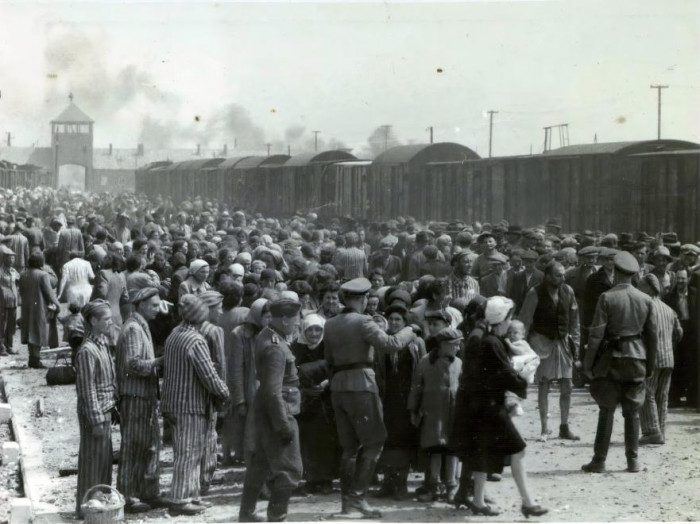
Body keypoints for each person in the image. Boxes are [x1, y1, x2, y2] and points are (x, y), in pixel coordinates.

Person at [323, 277, 417, 518]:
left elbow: (329, 361)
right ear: (363, 298)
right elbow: (392, 343)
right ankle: (357, 499)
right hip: (361, 386)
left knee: (349, 448)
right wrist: (411, 329)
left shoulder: (331, 324)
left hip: (338, 387)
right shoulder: (363, 321)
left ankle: (347, 503)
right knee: (374, 441)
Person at [582, 251, 658, 473]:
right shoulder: (645, 299)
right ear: (633, 275)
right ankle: (632, 460)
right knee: (632, 412)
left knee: (606, 410)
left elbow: (595, 336)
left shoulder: (606, 298)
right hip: (637, 359)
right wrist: (650, 365)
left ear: (615, 272)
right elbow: (652, 336)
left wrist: (587, 364)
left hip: (611, 360)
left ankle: (599, 460)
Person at [161, 294, 229, 516]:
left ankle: (191, 495)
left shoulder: (174, 335)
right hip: (190, 404)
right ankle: (180, 499)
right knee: (189, 453)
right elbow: (208, 375)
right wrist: (224, 391)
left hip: (173, 402)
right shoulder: (196, 340)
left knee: (186, 451)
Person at [238, 297, 303, 523]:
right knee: (290, 469)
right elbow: (273, 391)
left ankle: (246, 514)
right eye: (296, 319)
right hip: (279, 411)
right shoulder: (276, 347)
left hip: (267, 410)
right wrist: (283, 425)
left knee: (261, 464)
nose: (298, 323)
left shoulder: (267, 335)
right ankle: (276, 517)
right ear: (284, 319)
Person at [115, 285, 165, 513]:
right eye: (154, 305)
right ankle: (128, 495)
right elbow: (132, 364)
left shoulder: (140, 325)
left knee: (149, 445)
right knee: (133, 447)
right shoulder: (134, 329)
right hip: (134, 396)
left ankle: (147, 491)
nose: (158, 309)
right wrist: (159, 362)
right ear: (141, 304)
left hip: (144, 396)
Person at [518, 261, 581, 442]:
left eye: (563, 275)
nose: (562, 278)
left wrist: (575, 343)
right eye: (558, 275)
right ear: (547, 276)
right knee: (544, 385)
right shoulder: (534, 293)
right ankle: (544, 429)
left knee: (567, 385)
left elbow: (575, 321)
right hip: (542, 343)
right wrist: (525, 350)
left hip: (562, 343)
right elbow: (525, 321)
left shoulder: (568, 291)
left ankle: (564, 426)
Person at [374, 304, 424, 501]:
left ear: (405, 324)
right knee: (388, 440)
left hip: (407, 398)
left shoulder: (416, 342)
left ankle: (401, 485)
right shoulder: (383, 343)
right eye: (392, 319)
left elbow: (421, 371)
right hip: (388, 398)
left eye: (398, 320)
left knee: (404, 441)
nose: (394, 323)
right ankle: (388, 483)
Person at [408, 328, 462, 503]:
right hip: (433, 415)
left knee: (452, 450)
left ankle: (452, 486)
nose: (458, 347)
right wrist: (413, 410)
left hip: (453, 414)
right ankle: (434, 486)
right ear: (443, 345)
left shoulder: (459, 363)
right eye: (455, 344)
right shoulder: (425, 362)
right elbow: (416, 387)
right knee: (435, 451)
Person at [75, 300, 118, 518]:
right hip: (96, 414)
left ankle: (99, 507)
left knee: (103, 462)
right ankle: (87, 509)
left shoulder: (101, 344)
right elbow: (87, 389)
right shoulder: (87, 351)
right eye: (107, 319)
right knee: (92, 463)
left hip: (105, 410)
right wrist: (97, 420)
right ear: (93, 321)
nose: (111, 322)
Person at [291, 314, 338, 495]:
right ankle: (311, 479)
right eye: (310, 329)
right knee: (308, 441)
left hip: (326, 400)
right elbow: (292, 373)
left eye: (317, 329)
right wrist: (306, 389)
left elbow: (336, 369)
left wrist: (325, 384)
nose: (313, 333)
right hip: (305, 401)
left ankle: (326, 480)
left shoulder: (329, 347)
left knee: (326, 440)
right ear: (303, 330)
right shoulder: (297, 348)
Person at [638, 274, 682, 445]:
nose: (638, 288)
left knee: (647, 392)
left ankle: (651, 431)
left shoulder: (647, 306)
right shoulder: (668, 309)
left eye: (641, 285)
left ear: (650, 287)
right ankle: (661, 430)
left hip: (652, 357)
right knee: (662, 395)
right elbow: (679, 333)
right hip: (668, 357)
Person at [229, 298, 270, 465]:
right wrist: (239, 400)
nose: (270, 319)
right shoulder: (239, 334)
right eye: (266, 316)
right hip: (251, 389)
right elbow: (236, 370)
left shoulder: (274, 333)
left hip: (270, 388)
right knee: (252, 435)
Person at [198, 289, 226, 495]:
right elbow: (221, 364)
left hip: (197, 387)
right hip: (212, 385)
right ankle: (207, 475)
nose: (221, 312)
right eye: (219, 308)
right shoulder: (214, 330)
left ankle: (203, 474)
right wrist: (222, 391)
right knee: (210, 430)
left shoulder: (193, 328)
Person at [20, 252, 61, 368]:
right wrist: (57, 305)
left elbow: (21, 291)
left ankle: (32, 358)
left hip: (26, 306)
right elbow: (49, 293)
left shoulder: (23, 275)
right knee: (37, 331)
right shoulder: (43, 275)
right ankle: (36, 359)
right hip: (39, 307)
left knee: (29, 331)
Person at [503, 319, 540, 416]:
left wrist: (509, 344)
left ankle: (516, 405)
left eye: (515, 332)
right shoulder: (514, 342)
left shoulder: (522, 343)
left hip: (524, 369)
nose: (511, 335)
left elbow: (520, 352)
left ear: (523, 334)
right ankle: (515, 405)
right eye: (509, 332)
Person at [0, 246, 20, 356]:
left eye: (13, 258)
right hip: (3, 303)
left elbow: (20, 280)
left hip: (13, 302)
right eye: (9, 258)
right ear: (4, 259)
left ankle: (9, 346)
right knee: (2, 325)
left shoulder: (14, 271)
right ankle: (1, 347)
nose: (11, 260)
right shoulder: (0, 271)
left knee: (11, 326)